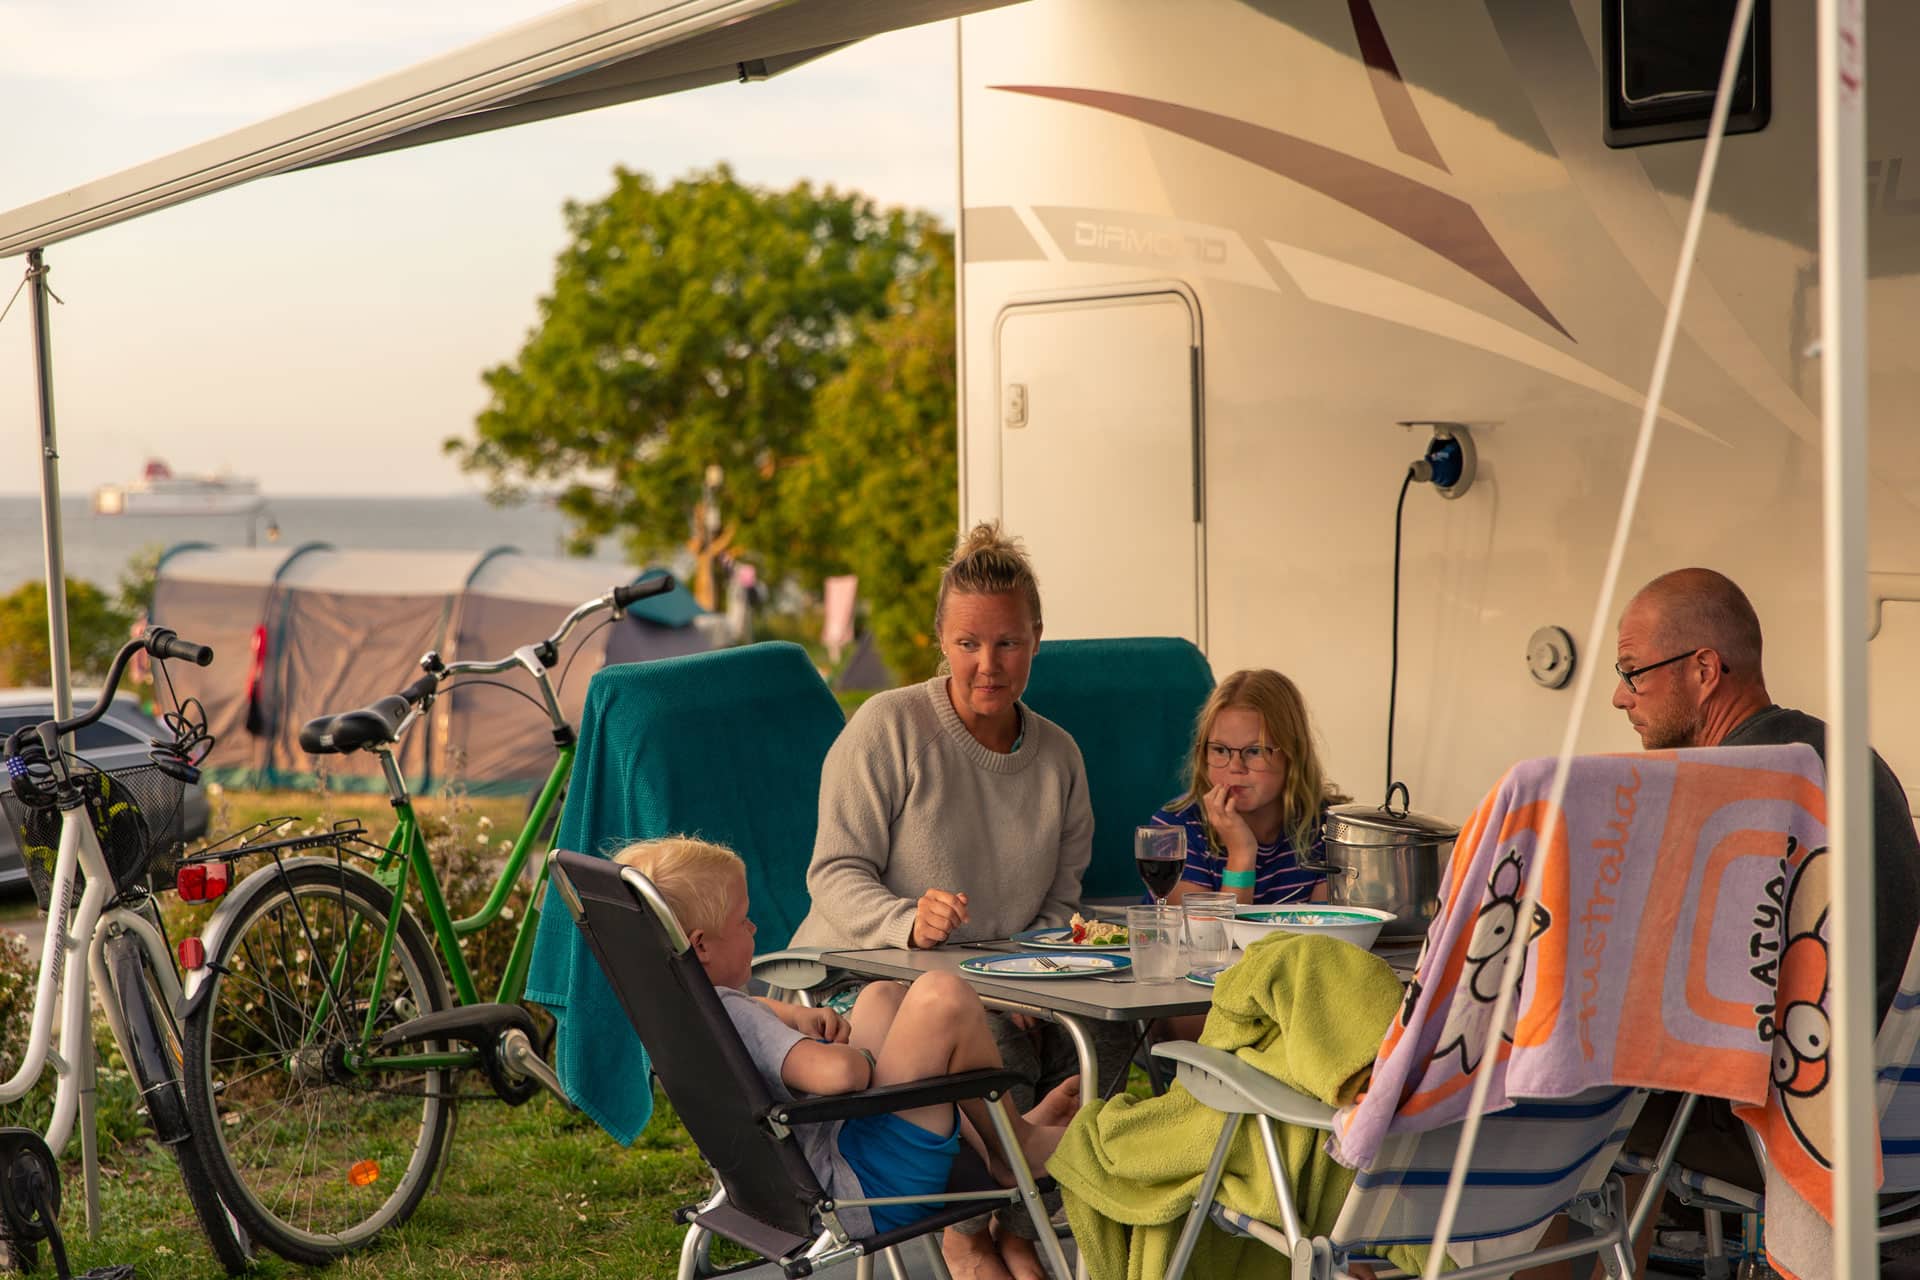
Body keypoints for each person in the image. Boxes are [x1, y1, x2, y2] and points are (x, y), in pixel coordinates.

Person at [788, 521, 1130, 1280]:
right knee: (1000, 1061)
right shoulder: (888, 728)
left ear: (1036, 638)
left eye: (1007, 643)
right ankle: (979, 1240)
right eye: (968, 643)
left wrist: (1029, 976)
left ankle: (1021, 1234)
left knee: (1107, 1047)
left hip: (1009, 982)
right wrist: (909, 919)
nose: (988, 664)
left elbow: (1059, 899)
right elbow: (833, 872)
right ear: (938, 640)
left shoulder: (1060, 757)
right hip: (879, 981)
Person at [1607, 567, 1920, 1256]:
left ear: (1704, 670)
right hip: (1895, 1122)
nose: (1617, 696)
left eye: (1633, 672)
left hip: (1795, 1128)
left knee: (1569, 1108)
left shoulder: (1724, 795)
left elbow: (1653, 995)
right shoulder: (1853, 760)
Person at [612, 837, 1080, 1240]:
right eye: (743, 921)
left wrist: (789, 1015)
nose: (753, 929)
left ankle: (1000, 1142)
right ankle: (1016, 1146)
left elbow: (749, 1017)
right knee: (942, 996)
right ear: (701, 945)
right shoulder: (736, 1015)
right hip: (863, 1190)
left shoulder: (681, 1013)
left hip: (794, 1183)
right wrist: (842, 1055)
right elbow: (842, 1074)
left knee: (879, 997)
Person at [1148, 668, 1350, 907]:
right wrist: (1241, 853)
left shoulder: (1331, 828)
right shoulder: (1172, 829)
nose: (1235, 767)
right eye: (1220, 750)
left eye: (1254, 751)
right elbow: (1206, 939)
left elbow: (1326, 934)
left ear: (1292, 755)